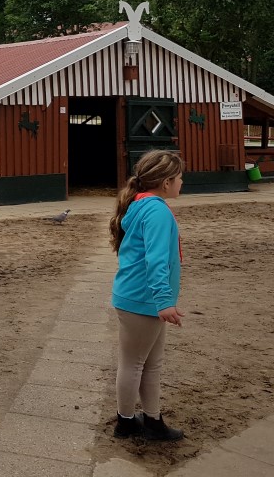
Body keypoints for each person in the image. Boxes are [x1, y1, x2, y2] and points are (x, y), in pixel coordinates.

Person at [109, 149, 186, 441]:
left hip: (141, 298)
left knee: (151, 363)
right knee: (134, 363)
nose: (182, 183)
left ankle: (153, 420)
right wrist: (164, 301)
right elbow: (156, 259)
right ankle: (126, 422)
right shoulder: (157, 211)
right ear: (166, 182)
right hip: (142, 300)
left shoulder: (141, 204)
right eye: (179, 178)